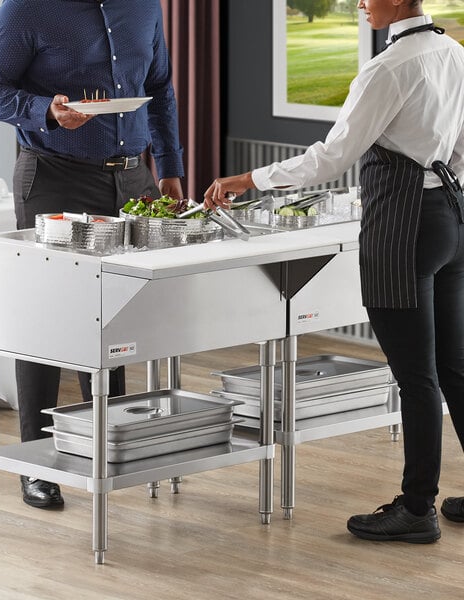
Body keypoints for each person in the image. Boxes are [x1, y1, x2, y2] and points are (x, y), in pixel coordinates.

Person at [204, 0, 464, 543]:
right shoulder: (451, 52)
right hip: (451, 220)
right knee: (455, 368)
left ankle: (418, 508)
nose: (361, 2)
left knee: (417, 378)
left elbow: (331, 158)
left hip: (404, 225)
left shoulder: (387, 67)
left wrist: (248, 177)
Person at [0, 0, 184, 509]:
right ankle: (34, 461)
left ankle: (104, 445)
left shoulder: (144, 6)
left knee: (117, 313)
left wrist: (170, 166)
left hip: (133, 176)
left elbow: (158, 89)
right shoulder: (27, 7)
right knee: (45, 319)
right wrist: (45, 110)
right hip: (54, 174)